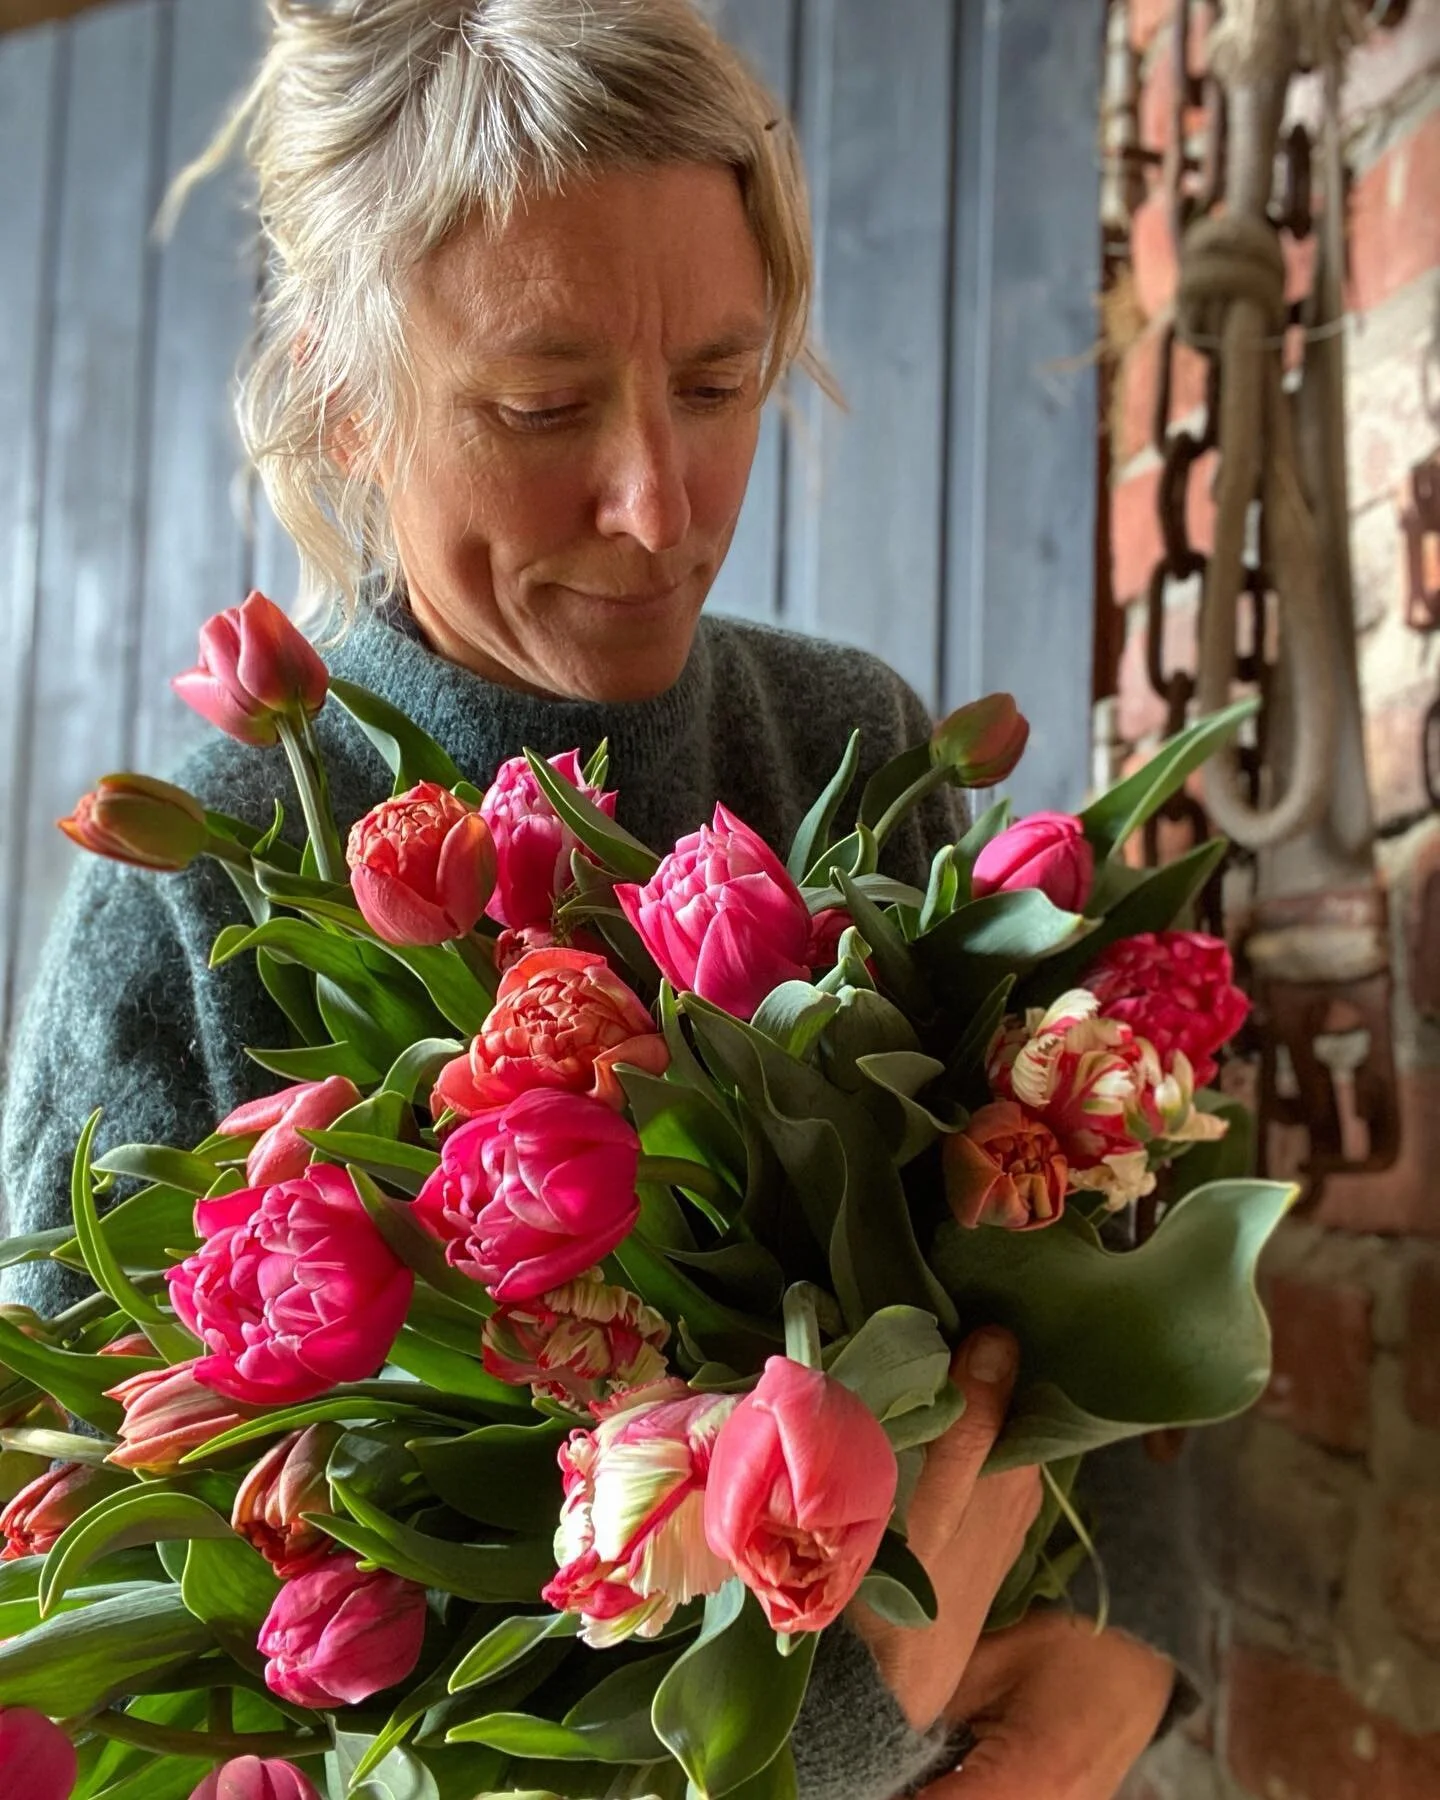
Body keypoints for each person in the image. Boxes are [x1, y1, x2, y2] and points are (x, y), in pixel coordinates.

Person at [0, 4, 1197, 1795]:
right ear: (345, 394)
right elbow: (113, 1662)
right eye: (542, 401)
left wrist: (1135, 1651)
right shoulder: (204, 886)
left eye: (718, 384)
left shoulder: (847, 740)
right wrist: (839, 1735)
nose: (660, 502)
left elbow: (1093, 1272)